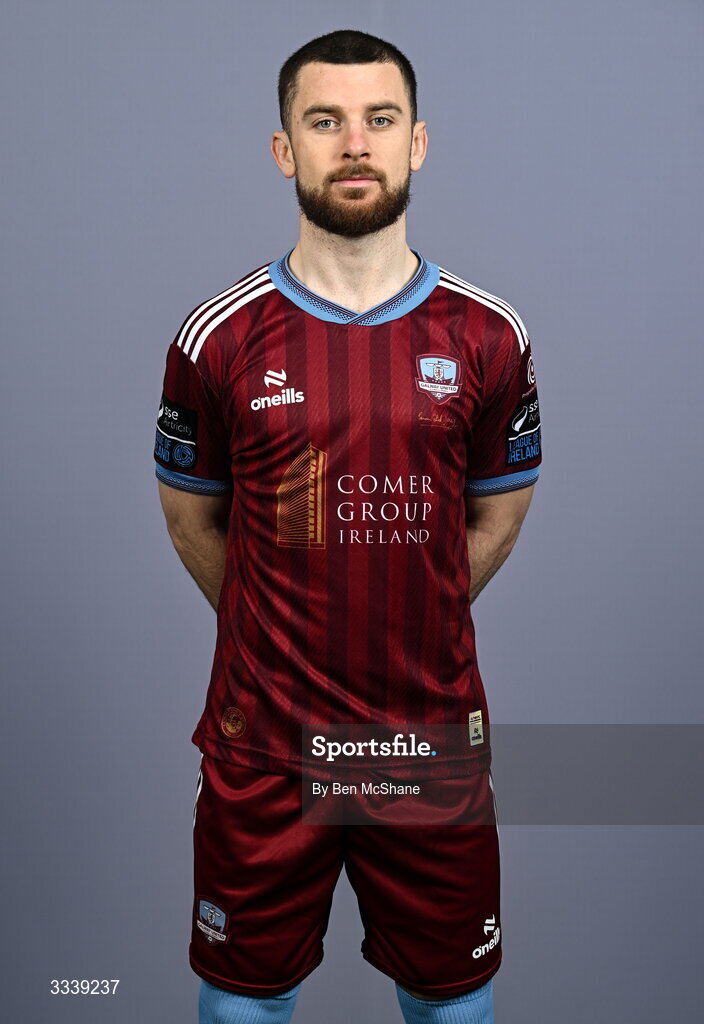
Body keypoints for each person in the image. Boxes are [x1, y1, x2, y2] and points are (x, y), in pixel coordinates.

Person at [154, 29, 542, 1024]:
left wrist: (419, 611)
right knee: (241, 1001)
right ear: (286, 149)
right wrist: (271, 628)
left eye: (377, 120)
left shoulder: (486, 335)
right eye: (324, 121)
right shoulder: (218, 337)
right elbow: (195, 519)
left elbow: (494, 512)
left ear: (417, 142)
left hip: (424, 749)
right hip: (265, 747)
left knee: (452, 1004)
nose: (353, 143)